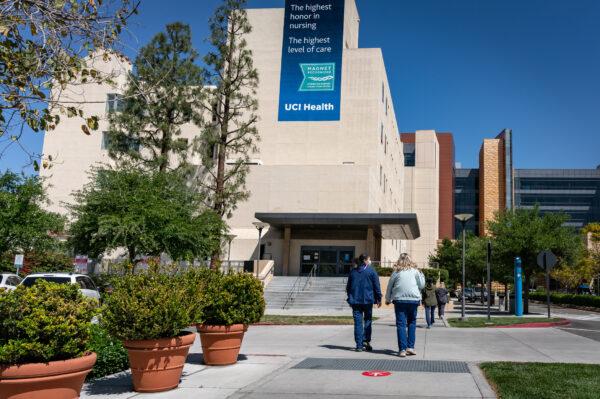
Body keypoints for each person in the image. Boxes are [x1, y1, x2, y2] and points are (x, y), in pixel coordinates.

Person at [385, 253, 425, 357]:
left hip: (399, 299)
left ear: (399, 260)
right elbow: (422, 285)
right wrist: (421, 274)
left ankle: (402, 349)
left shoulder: (396, 272)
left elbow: (390, 286)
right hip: (413, 299)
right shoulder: (415, 271)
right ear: (410, 260)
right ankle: (410, 347)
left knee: (401, 324)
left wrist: (388, 299)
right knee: (412, 322)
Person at [346, 253, 382, 352]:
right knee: (367, 321)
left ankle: (359, 345)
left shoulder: (353, 272)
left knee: (358, 323)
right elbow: (377, 286)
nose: (370, 261)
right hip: (367, 300)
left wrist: (350, 298)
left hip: (356, 301)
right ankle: (366, 341)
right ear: (365, 260)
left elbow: (348, 287)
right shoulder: (371, 271)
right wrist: (379, 298)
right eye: (369, 259)